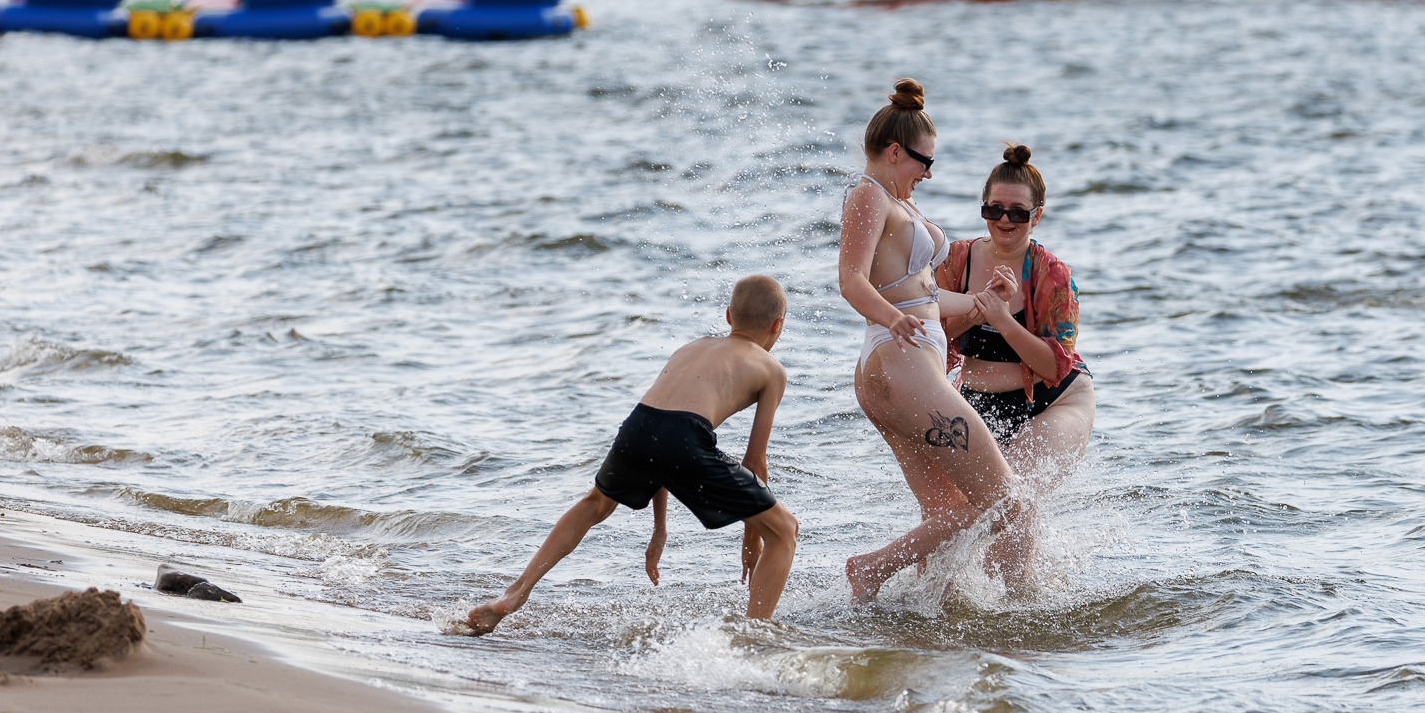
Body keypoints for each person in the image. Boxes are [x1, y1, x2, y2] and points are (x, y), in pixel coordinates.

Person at [457, 276, 799, 634]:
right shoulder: (771, 369)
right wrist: (754, 537)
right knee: (785, 531)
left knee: (595, 505)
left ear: (729, 316)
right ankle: (754, 637)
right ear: (778, 325)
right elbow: (754, 462)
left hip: (638, 426)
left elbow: (660, 441)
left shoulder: (691, 348)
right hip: (683, 435)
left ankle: (514, 594)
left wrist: (660, 530)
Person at [839, 80, 1023, 603]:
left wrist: (986, 300)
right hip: (899, 366)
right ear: (895, 152)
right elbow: (852, 279)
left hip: (905, 369)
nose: (928, 173)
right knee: (1010, 502)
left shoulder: (896, 202)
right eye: (924, 162)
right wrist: (890, 316)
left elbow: (928, 300)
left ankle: (906, 602)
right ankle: (1030, 612)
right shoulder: (867, 195)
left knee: (954, 515)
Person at [938, 143, 1093, 465]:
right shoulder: (956, 260)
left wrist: (1002, 318)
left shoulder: (1052, 275)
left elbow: (1054, 367)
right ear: (983, 208)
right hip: (975, 402)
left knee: (1013, 499)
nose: (1005, 220)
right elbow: (935, 339)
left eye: (1018, 212)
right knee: (964, 511)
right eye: (995, 209)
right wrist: (975, 309)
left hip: (1053, 400)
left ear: (1037, 215)